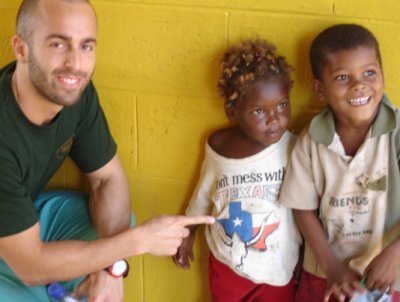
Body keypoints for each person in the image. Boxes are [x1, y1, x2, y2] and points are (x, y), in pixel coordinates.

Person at [0, 0, 214, 301]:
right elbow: (30, 264)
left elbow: (107, 179)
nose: (75, 63)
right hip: (14, 248)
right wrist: (136, 242)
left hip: (25, 219)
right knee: (120, 238)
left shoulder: (74, 91)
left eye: (86, 46)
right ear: (21, 49)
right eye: (58, 44)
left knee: (116, 218)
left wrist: (111, 267)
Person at [172, 39, 302, 302]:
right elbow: (203, 195)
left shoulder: (295, 147)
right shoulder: (219, 147)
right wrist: (188, 232)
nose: (274, 118)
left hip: (277, 265)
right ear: (233, 112)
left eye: (282, 105)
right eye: (258, 111)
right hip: (228, 261)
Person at [279, 23, 400, 302]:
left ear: (382, 75)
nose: (359, 85)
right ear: (320, 89)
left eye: (369, 72)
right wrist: (332, 266)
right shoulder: (311, 141)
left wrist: (395, 254)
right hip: (326, 273)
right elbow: (303, 209)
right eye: (343, 77)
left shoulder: (397, 133)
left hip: (388, 275)